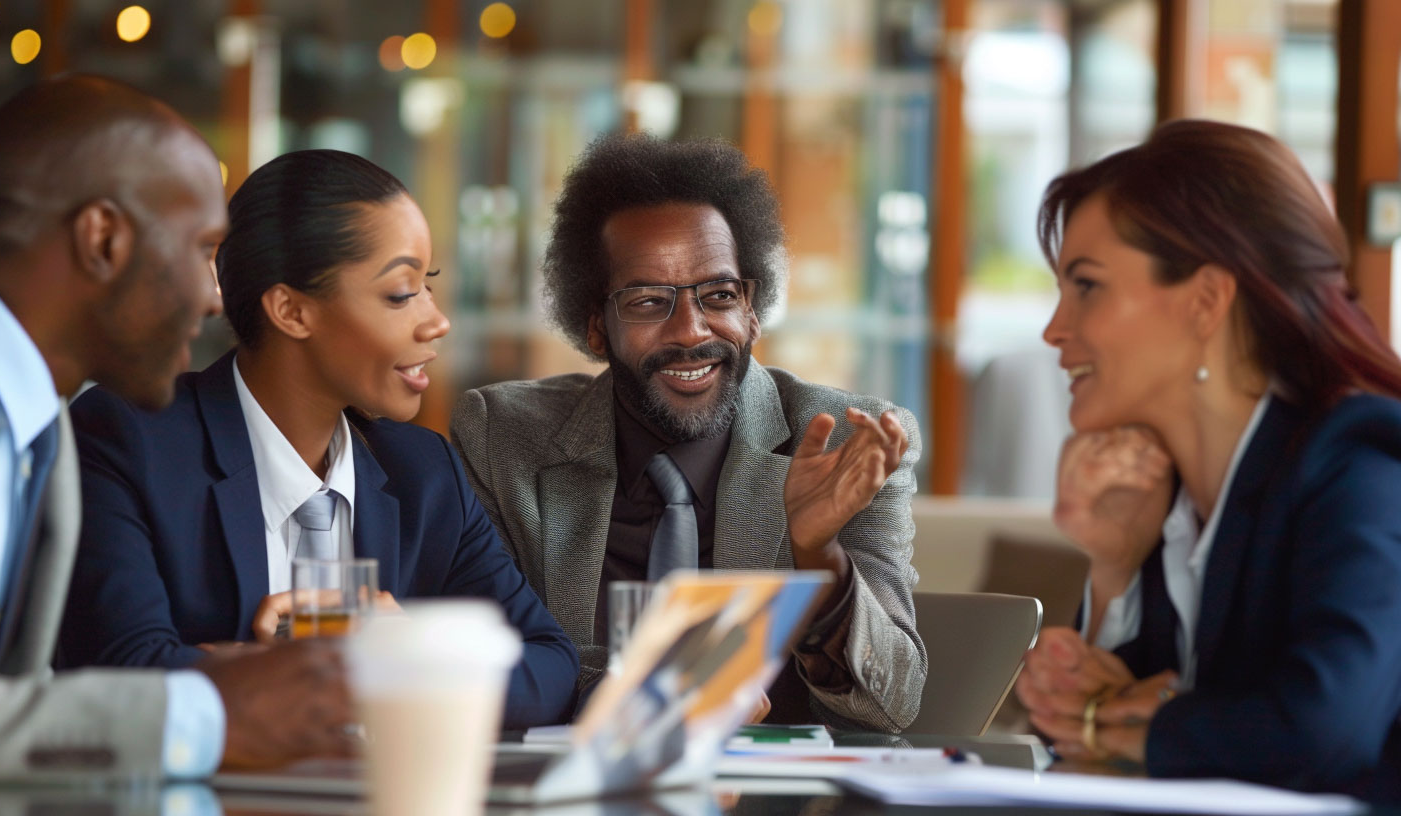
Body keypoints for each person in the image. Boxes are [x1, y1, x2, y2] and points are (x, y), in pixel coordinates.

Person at [59, 149, 579, 729]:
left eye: (426, 286)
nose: (437, 321)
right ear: (291, 311)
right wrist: (339, 679)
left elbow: (550, 667)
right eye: (401, 294)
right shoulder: (126, 439)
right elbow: (127, 678)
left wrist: (404, 654)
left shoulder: (423, 472)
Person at [0, 75, 356, 779]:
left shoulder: (39, 425)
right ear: (102, 238)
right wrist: (208, 713)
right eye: (202, 250)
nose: (214, 297)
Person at [451, 134, 926, 733]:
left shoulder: (843, 441)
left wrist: (818, 555)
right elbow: (480, 664)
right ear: (596, 326)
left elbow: (895, 703)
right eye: (649, 302)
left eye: (719, 296)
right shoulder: (505, 438)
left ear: (752, 310)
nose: (691, 331)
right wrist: (677, 694)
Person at [1013, 119, 1401, 797]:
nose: (1055, 329)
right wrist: (1111, 576)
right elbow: (1082, 736)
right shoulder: (1176, 496)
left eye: (1087, 286)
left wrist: (1117, 724)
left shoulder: (1354, 464)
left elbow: (1321, 729)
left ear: (1205, 302)